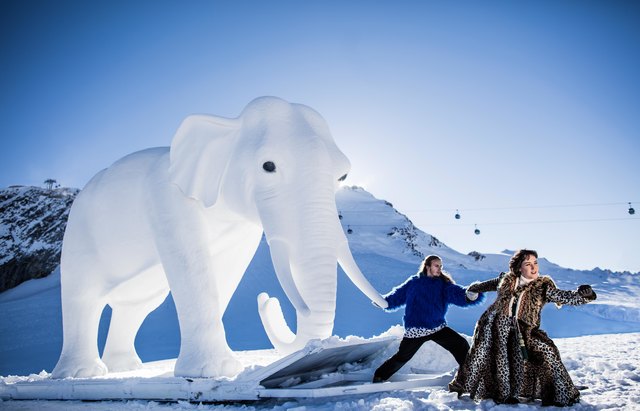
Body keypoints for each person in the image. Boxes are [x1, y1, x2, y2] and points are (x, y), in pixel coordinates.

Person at [448, 249, 597, 406]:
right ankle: (461, 385)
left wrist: (584, 295)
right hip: (494, 326)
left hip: (524, 331)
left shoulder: (543, 286)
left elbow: (565, 297)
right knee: (480, 355)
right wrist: (473, 289)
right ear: (519, 267)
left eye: (535, 263)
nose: (534, 267)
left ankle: (560, 389)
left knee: (546, 351)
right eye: (528, 264)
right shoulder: (506, 280)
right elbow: (485, 285)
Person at [372, 255, 484, 383]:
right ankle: (379, 376)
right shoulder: (414, 283)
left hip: (437, 327)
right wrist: (383, 302)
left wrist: (470, 295)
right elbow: (397, 296)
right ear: (427, 266)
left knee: (461, 344)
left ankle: (470, 376)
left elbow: (457, 294)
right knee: (402, 357)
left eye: (441, 266)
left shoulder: (443, 284)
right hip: (416, 330)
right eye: (436, 266)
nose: (439, 269)